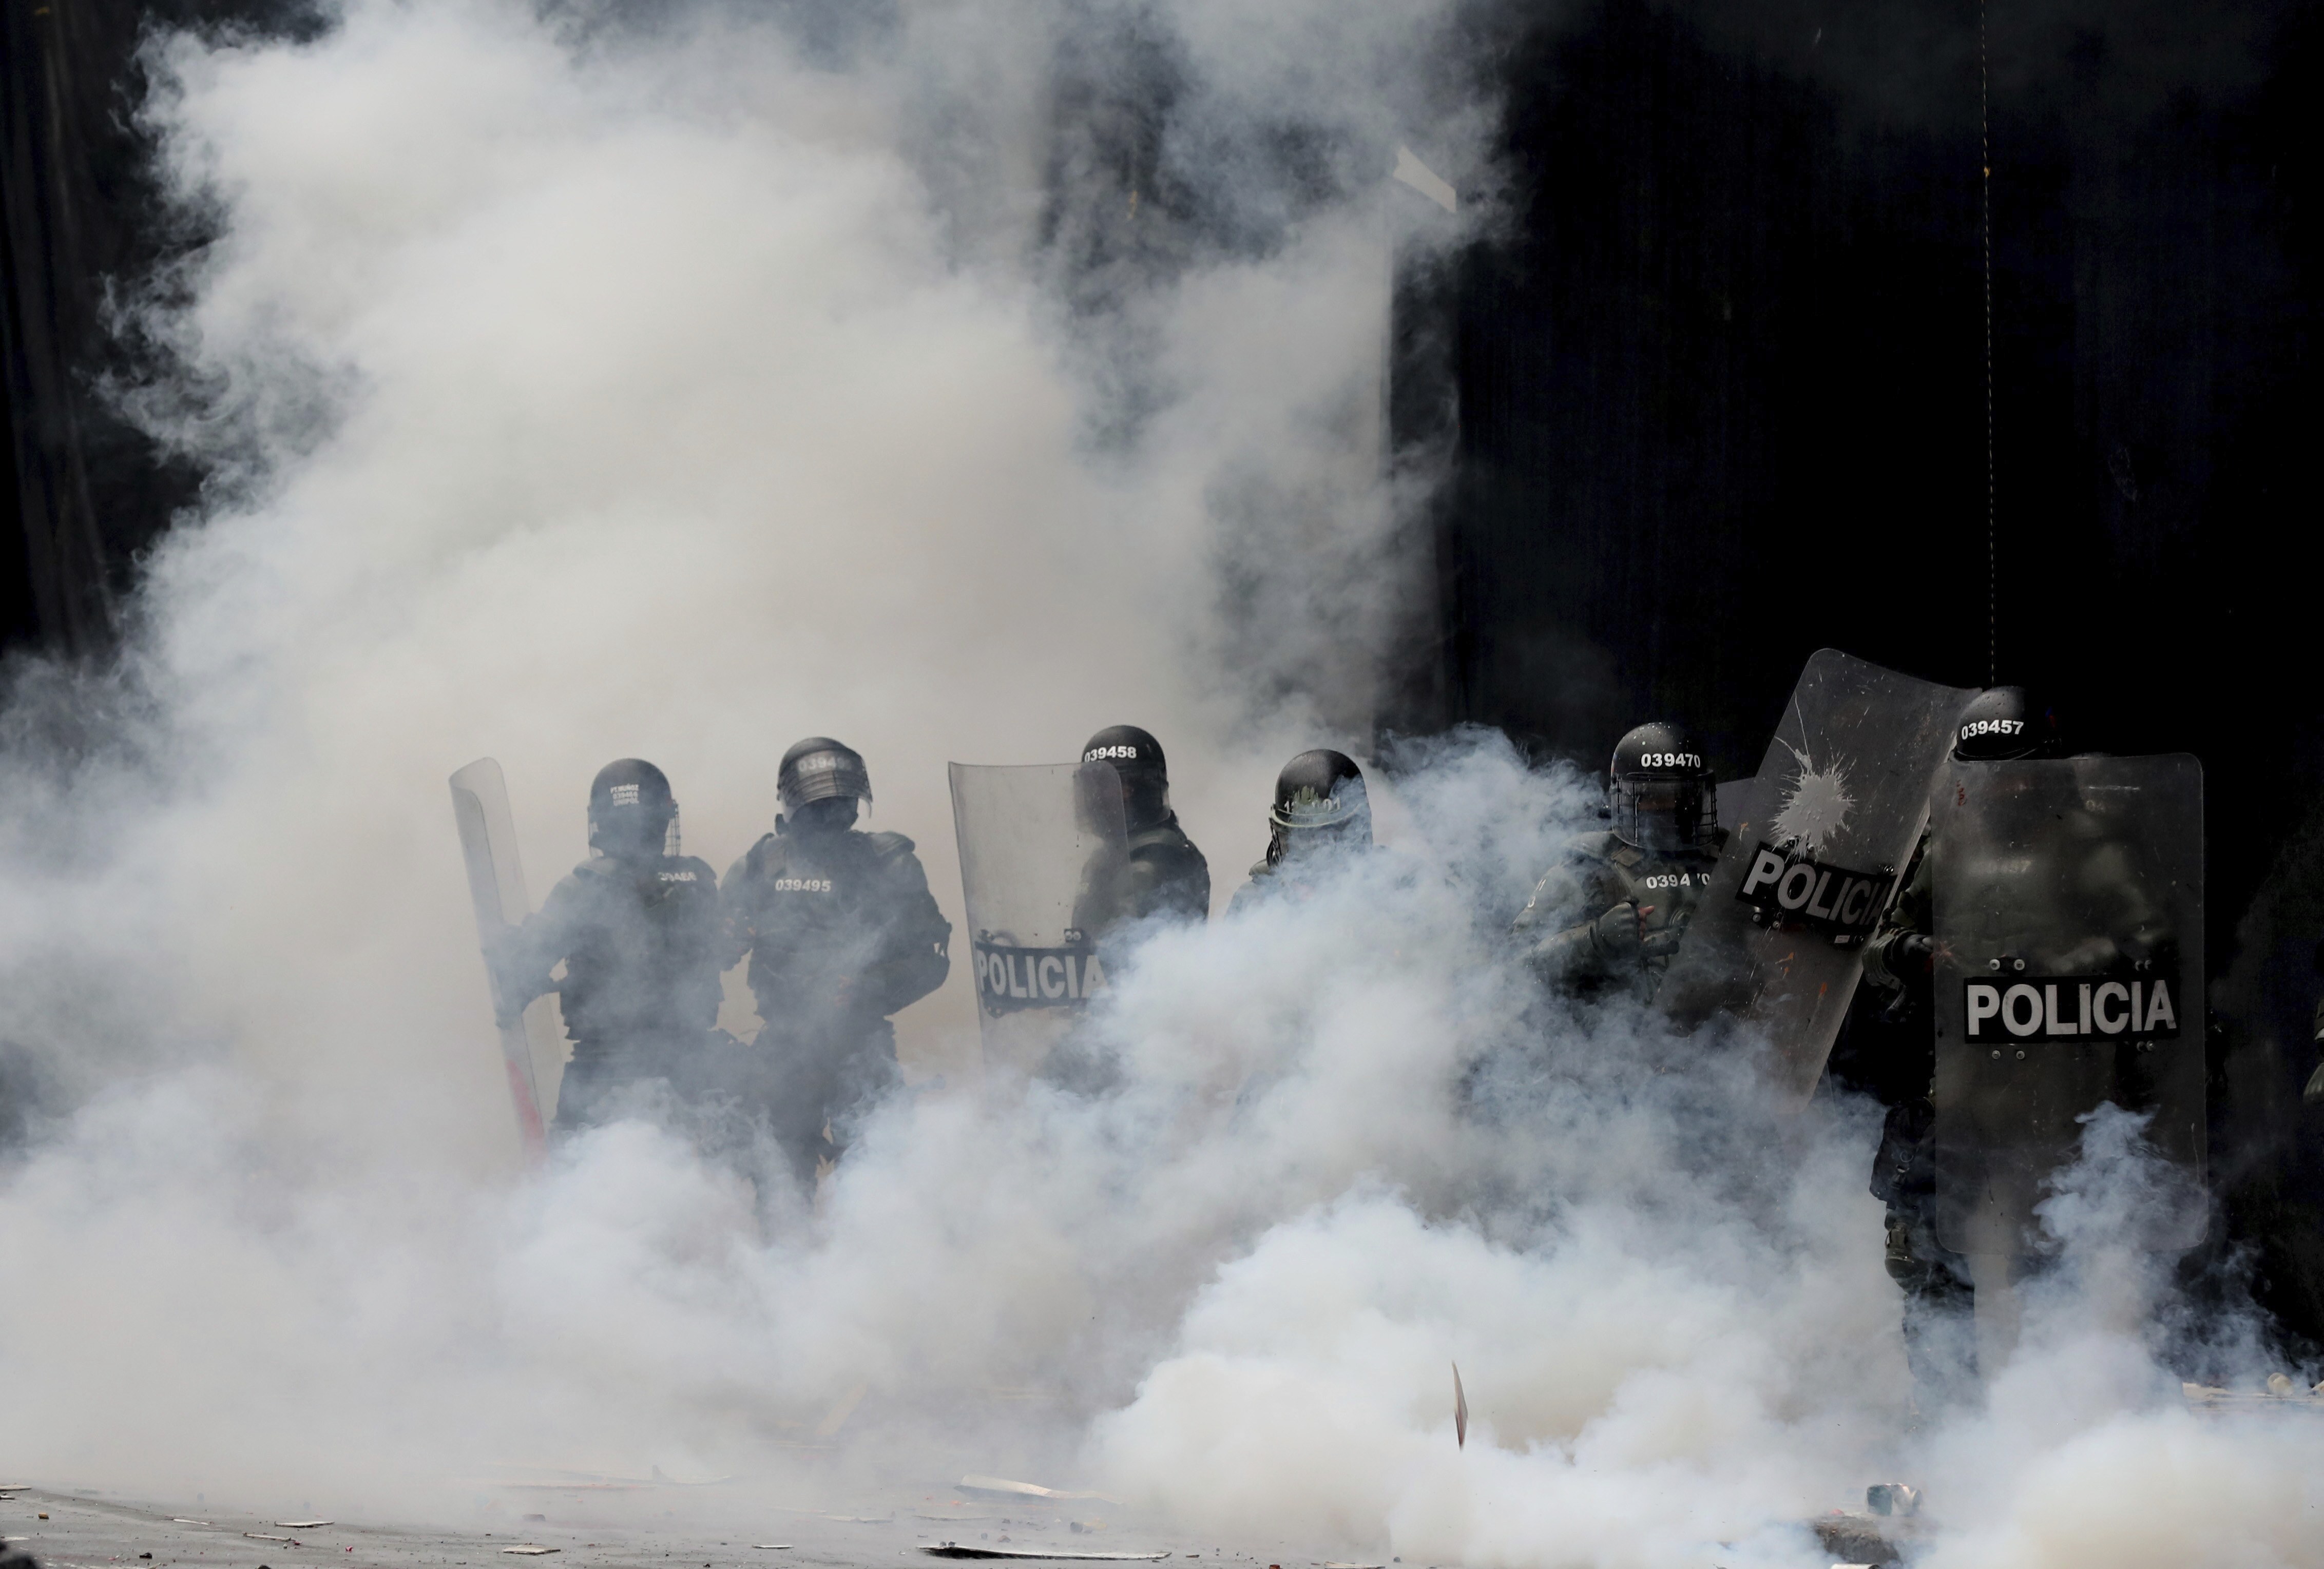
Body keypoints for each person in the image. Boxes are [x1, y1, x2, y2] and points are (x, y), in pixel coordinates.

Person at [1855, 685, 2063, 1412]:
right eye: (1980, 771)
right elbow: (1874, 946)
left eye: (2010, 770)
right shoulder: (1946, 846)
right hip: (1956, 1088)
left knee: (2058, 1266)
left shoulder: (2087, 846)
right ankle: (1949, 1428)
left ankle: (2063, 1429)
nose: (1997, 787)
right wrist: (1914, 950)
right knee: (1925, 1256)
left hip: (2055, 1087)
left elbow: (2152, 945)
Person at [722, 737, 951, 1183]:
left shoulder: (888, 863)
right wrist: (726, 940)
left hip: (861, 1047)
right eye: (818, 806)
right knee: (779, 1185)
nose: (828, 817)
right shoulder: (761, 864)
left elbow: (931, 960)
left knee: (875, 1182)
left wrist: (871, 985)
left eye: (837, 804)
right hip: (783, 1052)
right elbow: (706, 952)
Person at [492, 759, 727, 1133]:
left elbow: (531, 956)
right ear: (662, 818)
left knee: (578, 1175)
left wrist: (510, 958)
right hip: (690, 1067)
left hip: (603, 1071)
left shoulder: (583, 886)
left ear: (603, 821)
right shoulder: (699, 880)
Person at [1510, 721, 1723, 999]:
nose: (1671, 810)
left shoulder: (1728, 855)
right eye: (1652, 798)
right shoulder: (1587, 870)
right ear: (1623, 798)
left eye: (1683, 797)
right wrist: (1596, 939)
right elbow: (1515, 969)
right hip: (1622, 1036)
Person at [1080, 724, 1210, 925]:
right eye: (1091, 787)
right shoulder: (1109, 857)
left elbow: (1124, 948)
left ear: (1143, 790)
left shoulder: (1159, 860)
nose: (1096, 798)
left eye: (1109, 786)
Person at [1227, 748, 1374, 915]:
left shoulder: (1392, 887)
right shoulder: (1254, 902)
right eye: (1301, 839)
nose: (1312, 857)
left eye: (1327, 839)